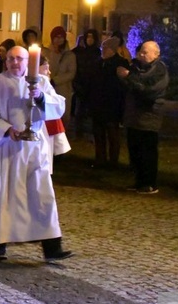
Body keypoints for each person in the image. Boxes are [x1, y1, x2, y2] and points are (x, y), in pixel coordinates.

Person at [0, 46, 73, 261]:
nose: (14, 63)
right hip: (7, 149)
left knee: (42, 194)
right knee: (6, 195)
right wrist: (5, 129)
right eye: (10, 59)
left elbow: (58, 106)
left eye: (19, 59)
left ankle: (51, 245)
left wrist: (40, 98)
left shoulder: (40, 82)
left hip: (34, 148)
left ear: (27, 61)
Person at [117, 40, 169, 194]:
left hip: (149, 116)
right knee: (135, 150)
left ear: (156, 54)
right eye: (141, 51)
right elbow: (131, 87)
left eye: (145, 52)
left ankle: (149, 183)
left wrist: (129, 77)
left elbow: (148, 91)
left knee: (147, 151)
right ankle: (139, 181)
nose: (141, 54)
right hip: (134, 116)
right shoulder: (137, 68)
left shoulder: (160, 70)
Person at [89, 36, 130, 168]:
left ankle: (113, 162)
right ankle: (100, 159)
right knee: (99, 134)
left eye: (105, 48)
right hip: (98, 104)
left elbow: (122, 86)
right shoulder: (98, 62)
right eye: (102, 48)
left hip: (112, 105)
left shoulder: (120, 63)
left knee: (112, 135)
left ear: (112, 50)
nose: (103, 50)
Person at [43, 26, 76, 129]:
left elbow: (71, 73)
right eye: (56, 37)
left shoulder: (69, 55)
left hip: (63, 90)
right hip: (48, 88)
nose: (58, 39)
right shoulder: (46, 53)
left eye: (61, 37)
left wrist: (55, 80)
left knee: (62, 117)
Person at [72, 28, 101, 137]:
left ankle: (90, 134)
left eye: (92, 37)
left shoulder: (97, 52)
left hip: (92, 86)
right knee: (79, 111)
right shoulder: (78, 52)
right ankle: (78, 133)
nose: (90, 39)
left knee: (90, 112)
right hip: (79, 85)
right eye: (88, 37)